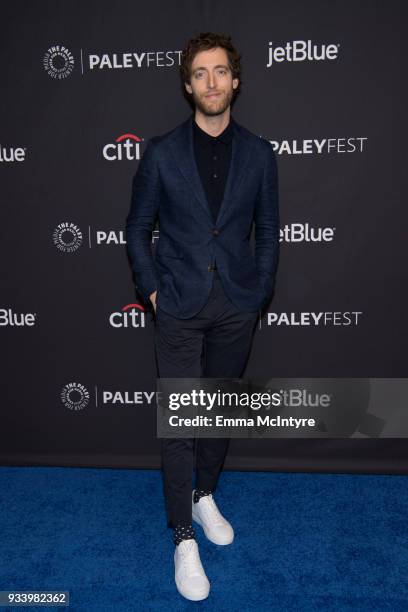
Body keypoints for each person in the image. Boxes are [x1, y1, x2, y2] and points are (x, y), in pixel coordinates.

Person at [125, 31, 279, 601]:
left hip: (237, 303)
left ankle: (205, 495)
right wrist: (152, 291)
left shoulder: (260, 155)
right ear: (187, 85)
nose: (211, 83)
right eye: (199, 74)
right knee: (181, 422)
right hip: (180, 306)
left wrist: (260, 289)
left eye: (220, 72)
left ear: (235, 80)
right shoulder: (163, 152)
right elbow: (136, 230)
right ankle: (183, 537)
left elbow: (269, 231)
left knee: (220, 410)